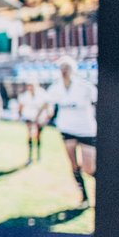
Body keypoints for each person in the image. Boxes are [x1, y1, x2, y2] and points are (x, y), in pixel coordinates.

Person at [51, 56, 100, 207]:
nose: (64, 71)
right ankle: (84, 197)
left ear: (73, 70)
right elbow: (49, 105)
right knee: (73, 165)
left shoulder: (85, 86)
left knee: (89, 168)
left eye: (67, 68)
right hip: (66, 129)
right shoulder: (55, 88)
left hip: (86, 129)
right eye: (62, 68)